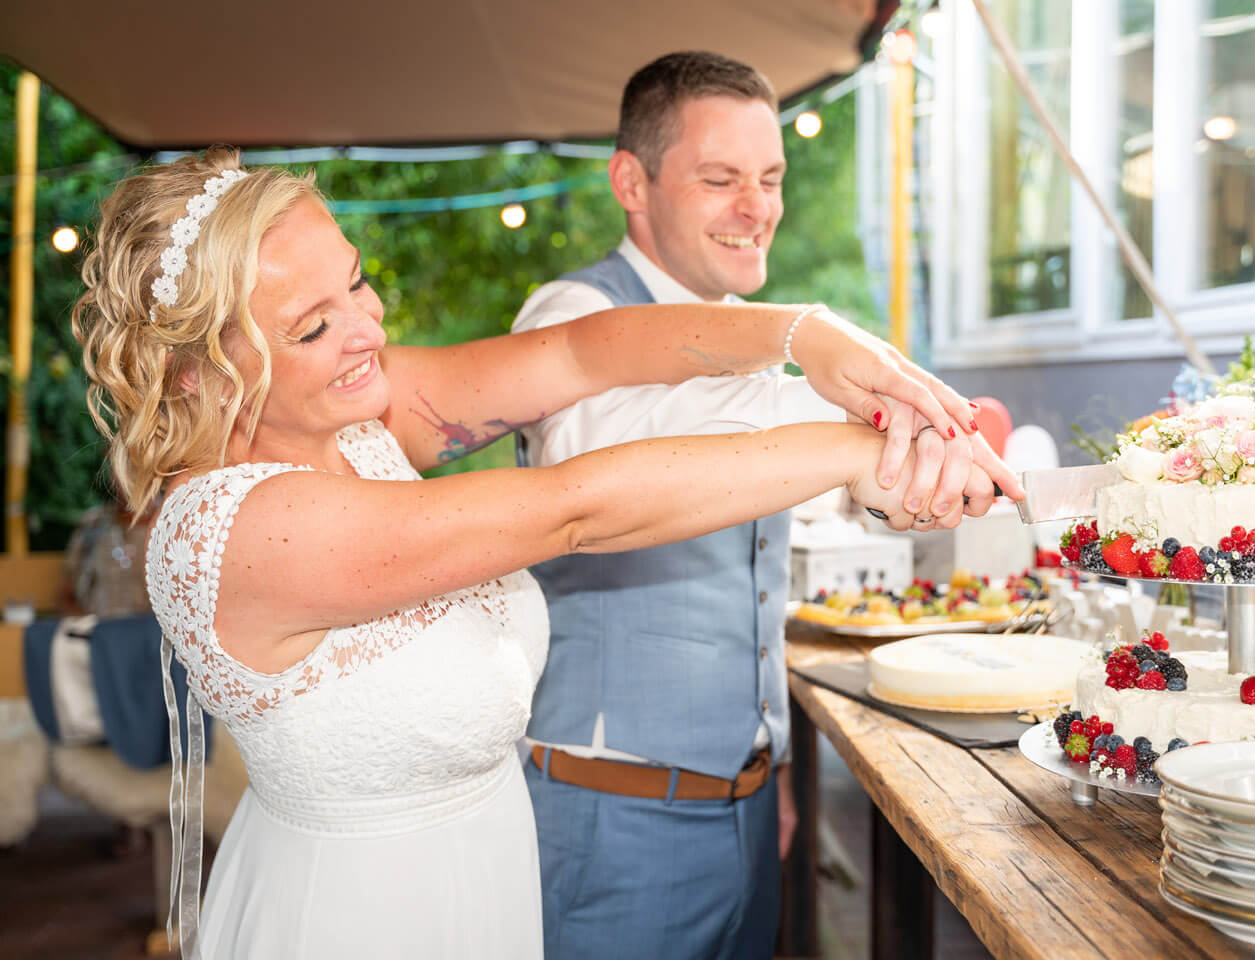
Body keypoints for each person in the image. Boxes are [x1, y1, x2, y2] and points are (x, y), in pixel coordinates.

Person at [72, 148, 1011, 959]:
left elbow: (578, 355)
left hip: (489, 876)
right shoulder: (240, 532)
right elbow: (576, 512)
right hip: (362, 917)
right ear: (195, 372)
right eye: (312, 326)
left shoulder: (356, 422)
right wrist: (854, 453)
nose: (370, 330)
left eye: (355, 282)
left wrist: (807, 332)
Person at [511, 52, 1016, 958]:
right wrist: (842, 401)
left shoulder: (756, 341)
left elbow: (757, 571)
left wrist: (768, 766)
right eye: (721, 180)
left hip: (744, 811)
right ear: (631, 182)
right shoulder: (569, 314)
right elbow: (593, 458)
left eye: (771, 178)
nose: (758, 208)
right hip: (611, 815)